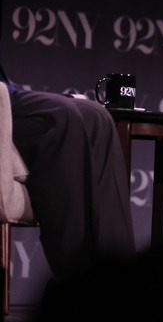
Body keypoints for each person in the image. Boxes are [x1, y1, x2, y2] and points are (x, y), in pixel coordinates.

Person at [0, 63, 136, 281]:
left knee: (96, 116)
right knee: (61, 117)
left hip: (8, 95)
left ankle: (122, 279)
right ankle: (75, 284)